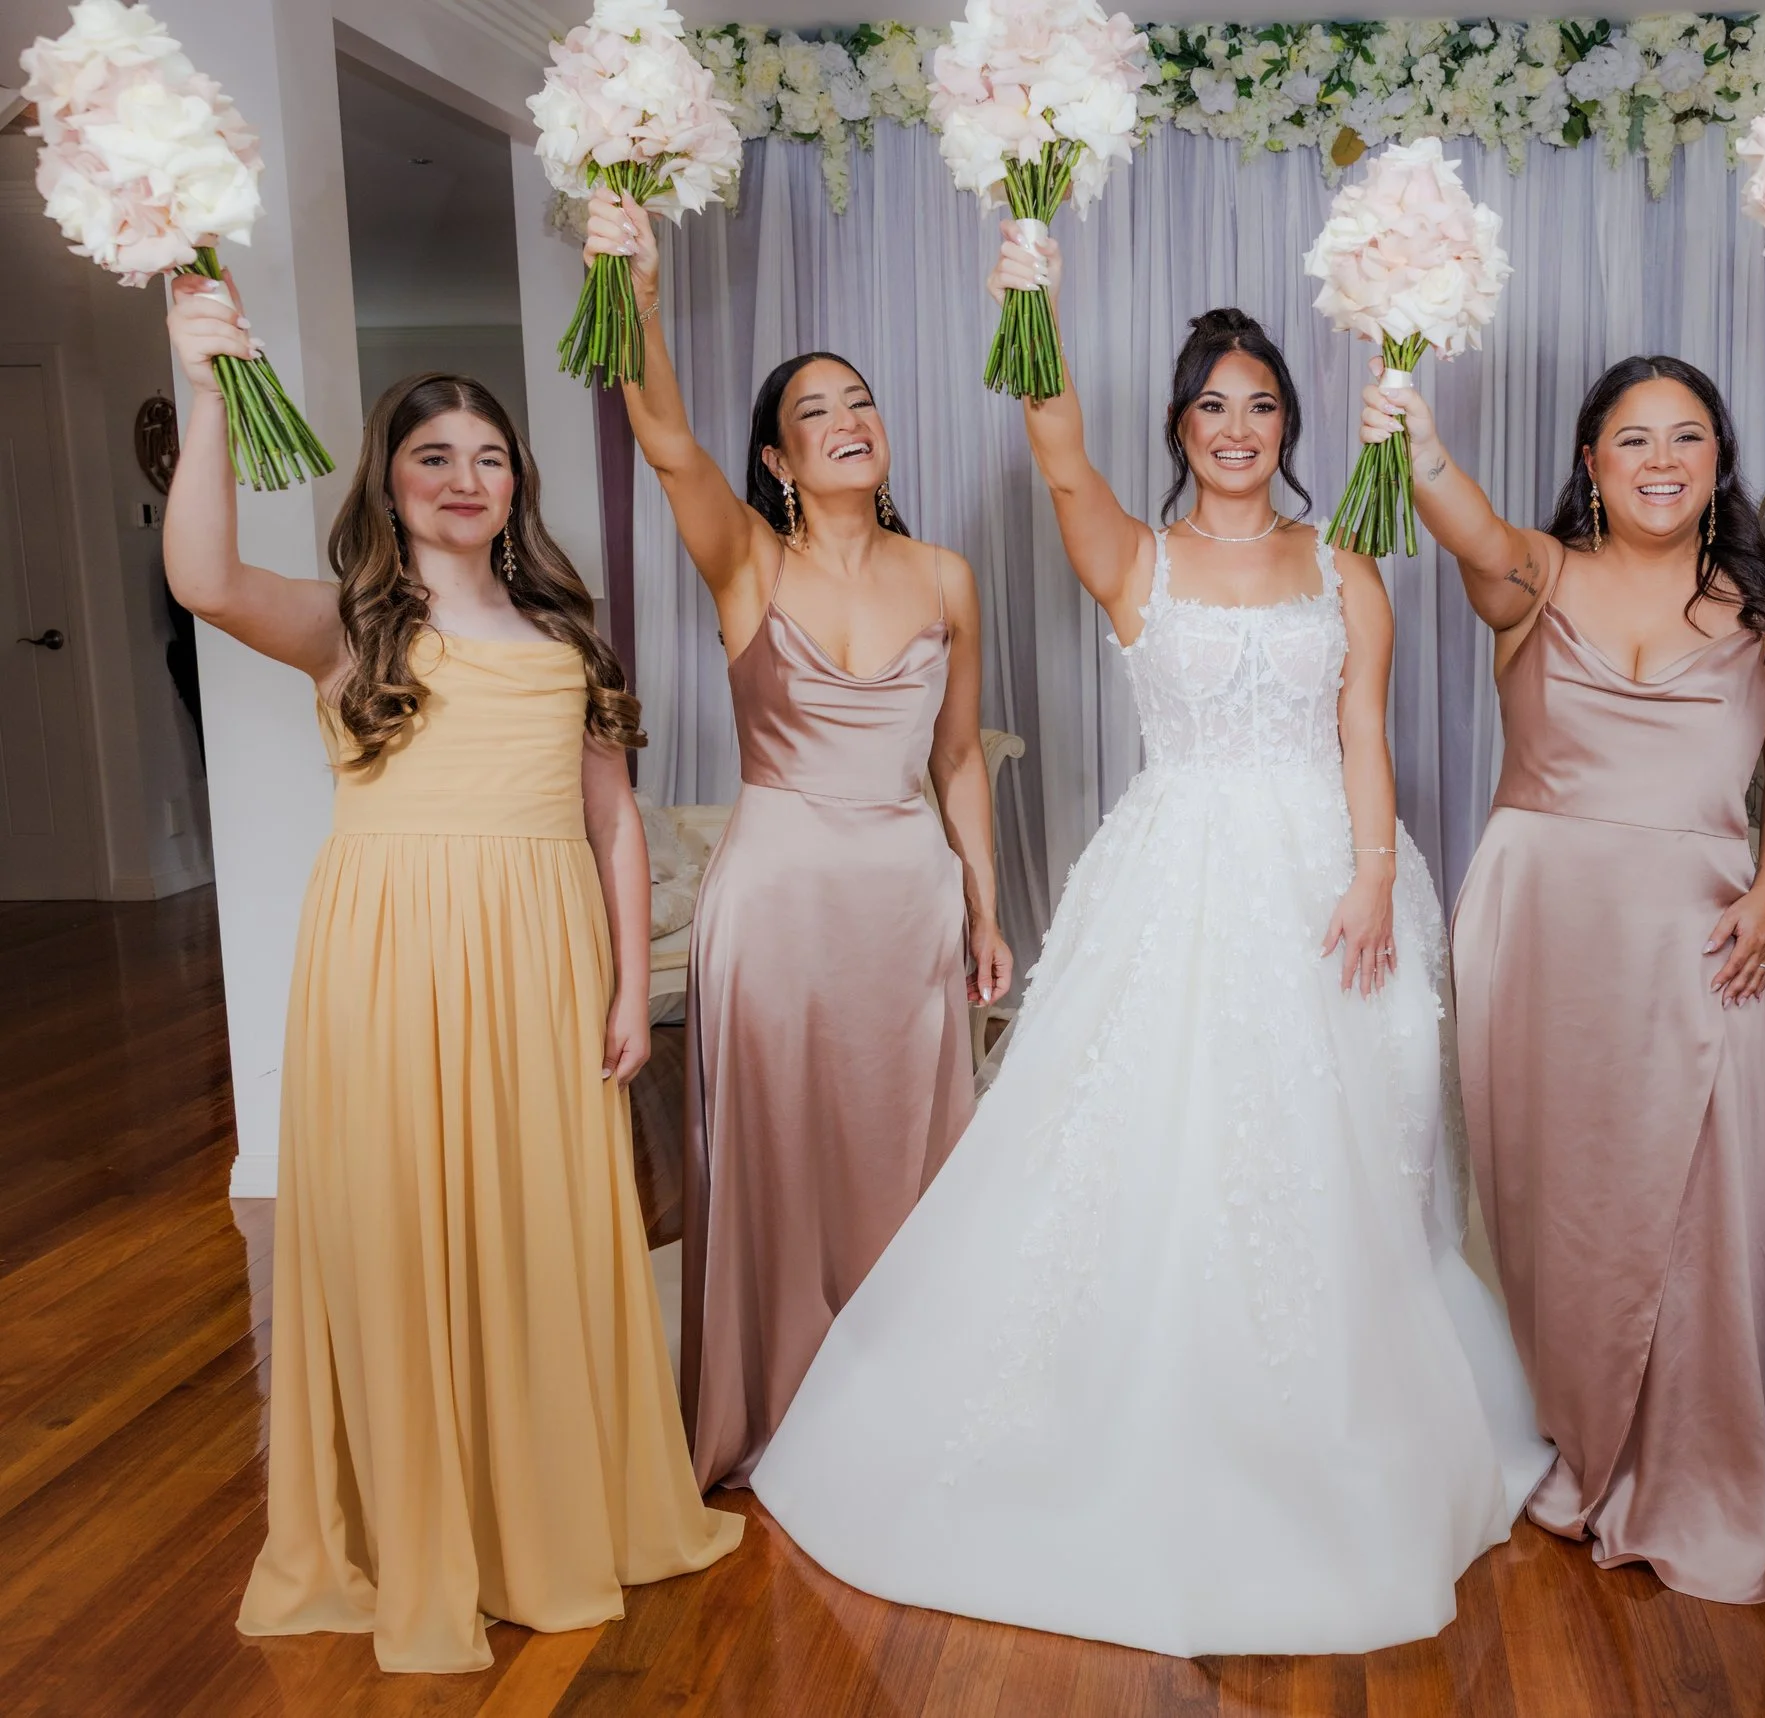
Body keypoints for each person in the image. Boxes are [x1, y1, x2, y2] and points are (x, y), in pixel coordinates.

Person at [747, 227, 1550, 1658]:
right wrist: (1031, 281)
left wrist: (1372, 878)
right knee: (1155, 1156)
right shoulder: (1132, 556)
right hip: (1176, 879)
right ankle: (1144, 1420)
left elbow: (1363, 732)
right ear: (1180, 426)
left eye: (1260, 405)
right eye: (1211, 406)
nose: (1237, 430)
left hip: (1329, 880)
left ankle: (1338, 1427)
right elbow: (1053, 445)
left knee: (1349, 1161)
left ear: (1291, 424)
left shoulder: (1346, 558)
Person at [161, 281, 739, 1675]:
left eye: (490, 456)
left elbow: (612, 826)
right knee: (399, 1227)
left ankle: (547, 1507)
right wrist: (201, 393)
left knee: (537, 1225)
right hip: (388, 948)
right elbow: (201, 579)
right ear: (390, 480)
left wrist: (619, 988)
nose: (466, 478)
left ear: (518, 483)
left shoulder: (563, 636)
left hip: (536, 951)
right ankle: (417, 1523)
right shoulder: (346, 624)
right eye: (435, 455)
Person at [1370, 354, 1765, 1601]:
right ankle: (1565, 1435)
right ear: (1590, 461)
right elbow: (1459, 516)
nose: (1658, 461)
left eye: (1685, 436)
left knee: (1705, 1204)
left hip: (1702, 928)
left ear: (1718, 458)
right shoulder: (1535, 574)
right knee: (1551, 1203)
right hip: (1541, 929)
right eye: (1630, 440)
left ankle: (1691, 1461)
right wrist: (1411, 421)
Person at [584, 191, 1009, 1492]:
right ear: (776, 455)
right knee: (778, 1159)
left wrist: (985, 911)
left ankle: (911, 1402)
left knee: (909, 1155)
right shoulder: (747, 566)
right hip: (776, 903)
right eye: (815, 411)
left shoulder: (944, 576)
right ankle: (777, 1406)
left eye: (860, 401)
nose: (847, 422)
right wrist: (641, 293)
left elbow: (954, 759)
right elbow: (660, 435)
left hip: (908, 898)